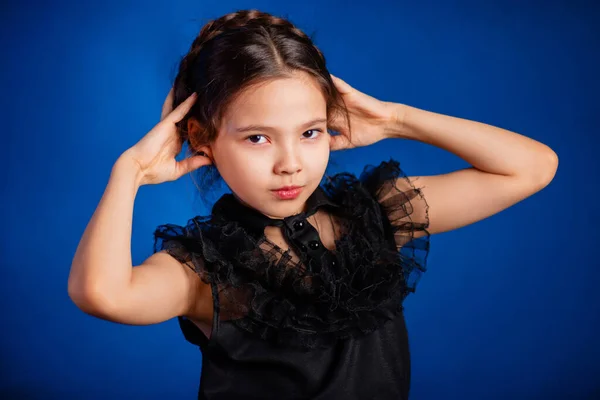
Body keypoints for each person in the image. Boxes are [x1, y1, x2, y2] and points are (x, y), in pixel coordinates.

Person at [68, 9, 558, 400]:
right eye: (258, 138)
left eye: (309, 133)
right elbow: (102, 294)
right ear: (203, 139)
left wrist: (397, 119)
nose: (290, 164)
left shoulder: (373, 216)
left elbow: (532, 168)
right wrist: (128, 174)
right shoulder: (205, 269)